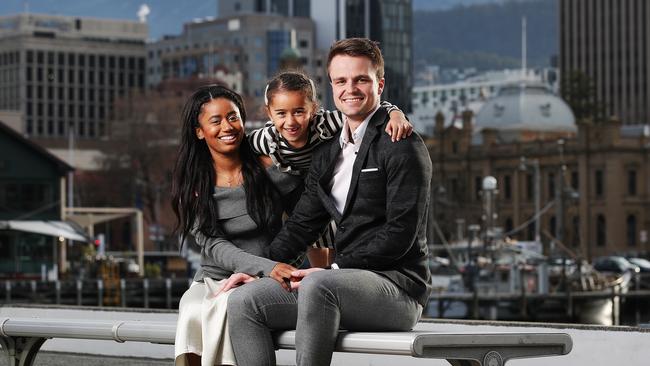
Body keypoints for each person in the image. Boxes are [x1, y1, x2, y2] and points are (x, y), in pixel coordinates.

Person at [226, 38, 433, 366]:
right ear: (332, 87)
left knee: (319, 282)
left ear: (380, 85)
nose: (350, 88)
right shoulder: (328, 153)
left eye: (361, 79)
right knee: (244, 302)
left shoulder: (401, 145)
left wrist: (333, 268)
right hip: (335, 285)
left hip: (397, 289)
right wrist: (261, 269)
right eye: (341, 81)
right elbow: (300, 225)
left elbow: (399, 235)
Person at [170, 85, 302, 366]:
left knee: (235, 307)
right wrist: (263, 267)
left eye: (233, 117)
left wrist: (277, 268)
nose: (227, 127)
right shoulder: (194, 185)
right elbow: (214, 245)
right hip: (214, 279)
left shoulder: (271, 167)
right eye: (215, 121)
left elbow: (305, 223)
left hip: (269, 276)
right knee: (193, 309)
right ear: (199, 131)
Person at [247, 71, 412, 267]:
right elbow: (232, 151)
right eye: (281, 114)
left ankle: (333, 273)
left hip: (322, 185)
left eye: (299, 112)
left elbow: (368, 111)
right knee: (308, 234)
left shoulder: (325, 123)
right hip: (292, 190)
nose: (290, 122)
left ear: (313, 109)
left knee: (332, 230)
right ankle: (316, 274)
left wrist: (395, 114)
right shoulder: (266, 139)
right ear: (269, 113)